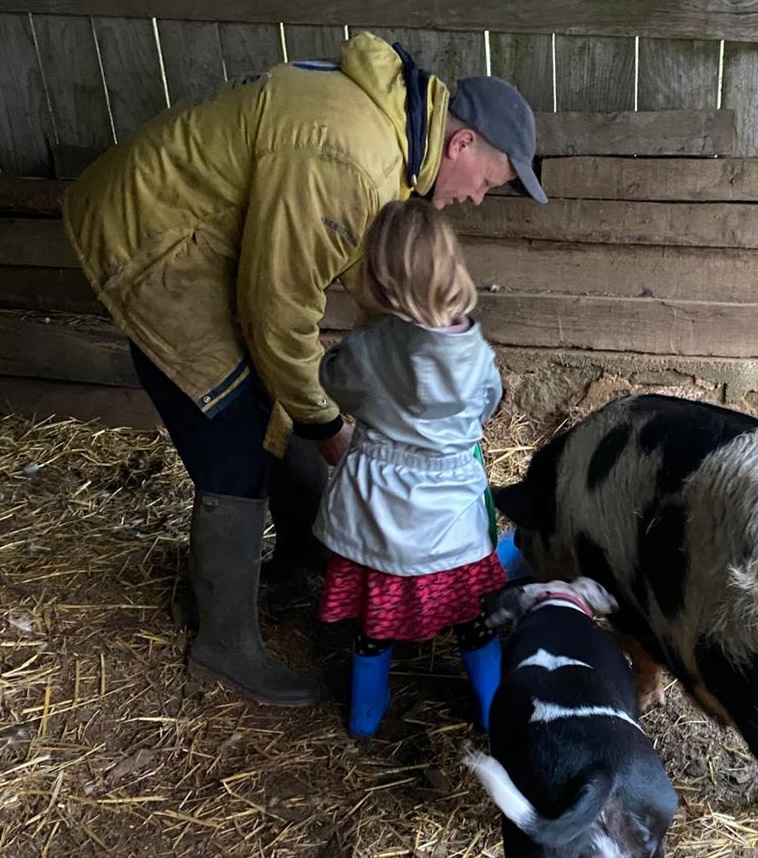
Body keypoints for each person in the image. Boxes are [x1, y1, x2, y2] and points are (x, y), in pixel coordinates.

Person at [61, 32, 547, 707]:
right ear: (462, 145)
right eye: (487, 183)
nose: (476, 200)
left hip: (205, 237)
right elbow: (276, 312)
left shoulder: (392, 140)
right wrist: (327, 426)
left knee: (279, 393)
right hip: (156, 236)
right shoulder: (348, 156)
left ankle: (300, 557)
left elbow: (359, 267)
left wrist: (420, 351)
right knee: (236, 421)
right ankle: (223, 645)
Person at [313, 198, 506, 738]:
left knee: (373, 627)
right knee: (475, 621)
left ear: (374, 273)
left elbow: (335, 384)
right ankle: (495, 713)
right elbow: (490, 403)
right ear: (452, 268)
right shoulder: (475, 352)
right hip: (452, 522)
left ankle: (364, 717)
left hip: (379, 514)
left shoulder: (367, 347)